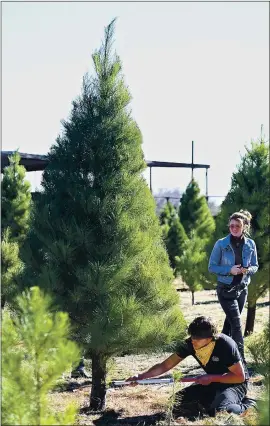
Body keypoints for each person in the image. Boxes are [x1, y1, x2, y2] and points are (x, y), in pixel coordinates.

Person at [127, 316, 256, 419]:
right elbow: (165, 365)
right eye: (192, 337)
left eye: (198, 338)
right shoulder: (190, 344)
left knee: (225, 412)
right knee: (177, 402)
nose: (193, 341)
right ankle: (219, 400)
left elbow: (239, 377)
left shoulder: (225, 345)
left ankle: (251, 404)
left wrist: (211, 377)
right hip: (212, 383)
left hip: (234, 384)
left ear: (210, 338)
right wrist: (142, 376)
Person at [208, 210, 258, 362]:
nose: (234, 228)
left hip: (242, 289)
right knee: (236, 325)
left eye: (237, 226)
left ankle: (217, 356)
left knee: (229, 324)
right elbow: (212, 267)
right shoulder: (221, 244)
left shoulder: (250, 244)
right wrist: (229, 270)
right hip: (225, 290)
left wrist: (247, 270)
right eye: (231, 226)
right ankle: (240, 361)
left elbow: (255, 265)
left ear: (244, 227)